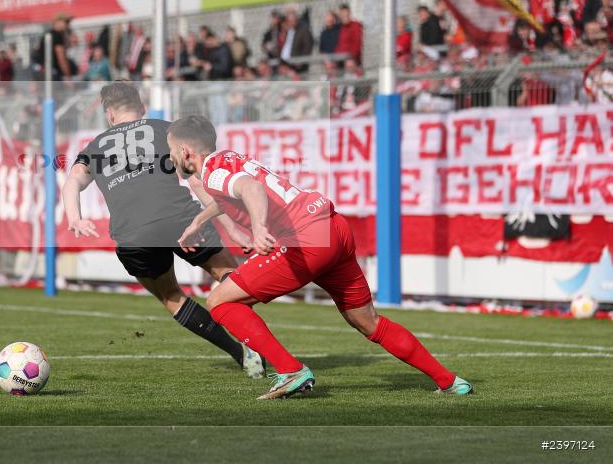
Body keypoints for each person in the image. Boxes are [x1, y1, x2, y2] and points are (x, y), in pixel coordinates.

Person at [166, 115, 472, 400]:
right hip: (333, 228)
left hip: (305, 240)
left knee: (219, 300)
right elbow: (240, 191)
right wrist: (199, 222)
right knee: (367, 321)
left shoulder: (212, 175)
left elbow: (250, 188)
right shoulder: (230, 158)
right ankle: (450, 381)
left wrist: (258, 228)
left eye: (171, 151)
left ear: (186, 150)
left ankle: (290, 370)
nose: (171, 158)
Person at [62, 83, 264, 379]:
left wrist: (75, 218)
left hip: (134, 234)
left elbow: (72, 182)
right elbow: (197, 180)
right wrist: (232, 227)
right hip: (179, 217)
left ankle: (238, 354)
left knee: (171, 296)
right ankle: (254, 344)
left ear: (109, 114)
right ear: (141, 107)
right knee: (229, 277)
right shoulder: (166, 131)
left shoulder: (94, 147)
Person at [334, 4, 363, 71]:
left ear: (349, 14)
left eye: (346, 14)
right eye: (343, 15)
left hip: (352, 62)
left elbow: (357, 43)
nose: (345, 17)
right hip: (340, 62)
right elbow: (338, 45)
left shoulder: (355, 26)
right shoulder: (340, 28)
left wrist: (351, 57)